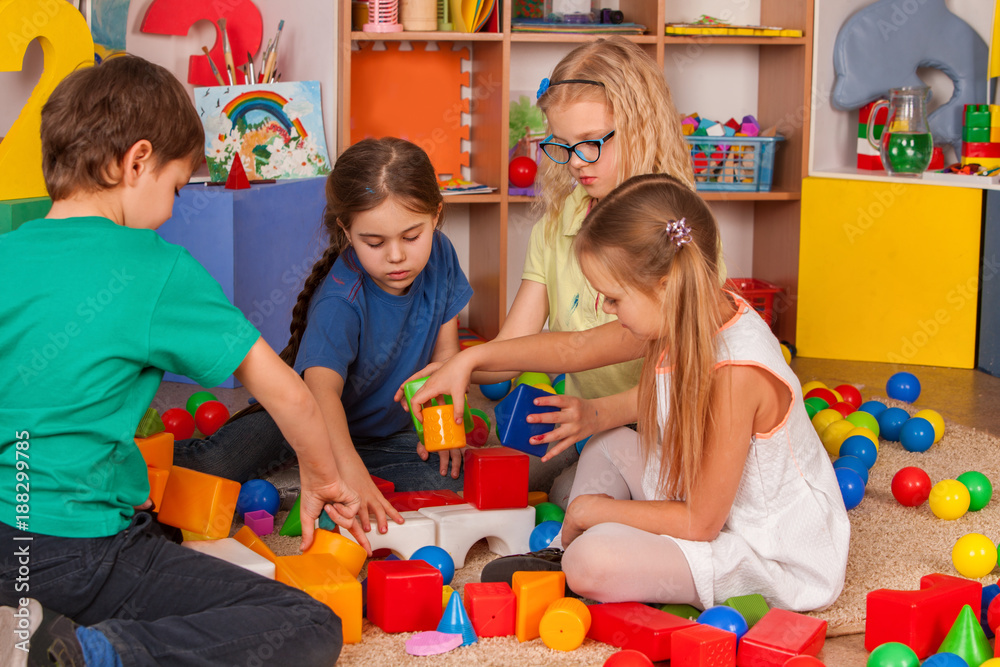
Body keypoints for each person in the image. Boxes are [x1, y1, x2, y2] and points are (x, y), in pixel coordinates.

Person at [0, 56, 368, 667]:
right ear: (135, 162)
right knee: (306, 622)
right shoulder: (154, 268)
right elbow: (289, 394)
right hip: (74, 551)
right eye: (174, 187)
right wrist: (324, 479)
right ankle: (79, 655)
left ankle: (23, 622)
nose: (173, 210)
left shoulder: (7, 252)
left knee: (150, 530)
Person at [409, 174, 849, 611]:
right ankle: (578, 548)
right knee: (607, 443)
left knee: (592, 561)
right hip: (706, 500)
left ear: (665, 286)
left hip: (764, 549)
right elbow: (574, 347)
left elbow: (701, 522)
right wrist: (468, 360)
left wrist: (594, 510)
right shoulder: (683, 309)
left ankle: (580, 555)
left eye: (614, 299)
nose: (605, 308)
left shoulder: (735, 374)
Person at [174, 137, 473, 535]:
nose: (396, 256)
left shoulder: (442, 255)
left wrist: (443, 430)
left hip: (380, 434)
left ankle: (310, 481)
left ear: (436, 215)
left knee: (454, 477)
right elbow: (319, 392)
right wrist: (346, 468)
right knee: (214, 466)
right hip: (303, 424)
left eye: (411, 236)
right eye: (374, 242)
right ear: (346, 230)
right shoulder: (341, 299)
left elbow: (445, 359)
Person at [486, 36, 705, 505]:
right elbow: (509, 351)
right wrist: (451, 370)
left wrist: (598, 414)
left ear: (642, 127)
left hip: (664, 427)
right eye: (562, 146)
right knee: (496, 470)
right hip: (586, 420)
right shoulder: (555, 226)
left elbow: (688, 374)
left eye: (591, 143)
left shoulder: (678, 225)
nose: (576, 163)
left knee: (574, 497)